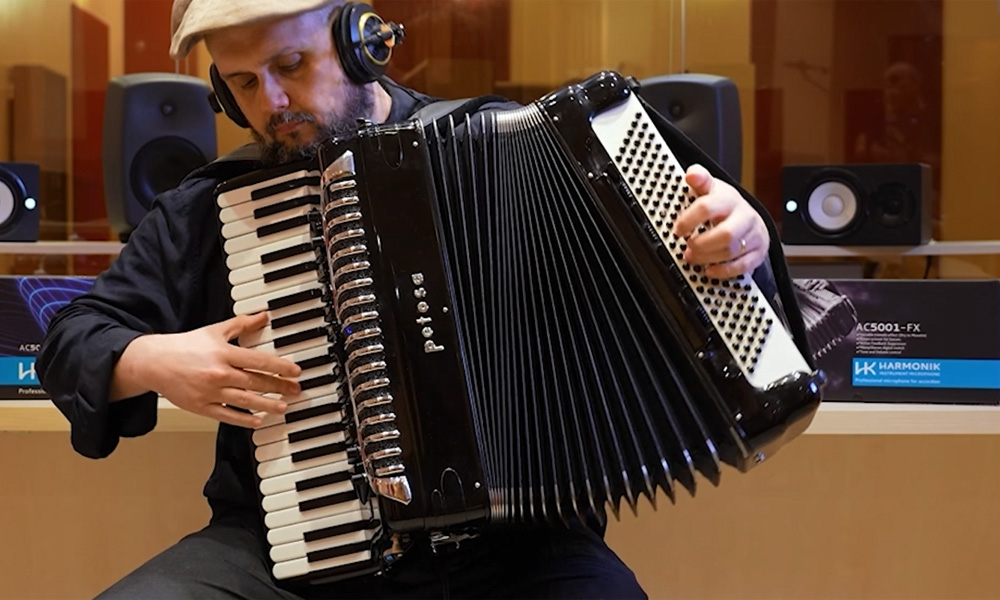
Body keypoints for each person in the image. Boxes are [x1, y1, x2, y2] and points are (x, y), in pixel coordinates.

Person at [37, 0, 777, 598]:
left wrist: (739, 243)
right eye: (242, 84)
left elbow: (705, 270)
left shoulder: (505, 146)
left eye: (290, 65)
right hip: (285, 555)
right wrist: (152, 358)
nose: (273, 103)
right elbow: (73, 337)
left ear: (362, 43)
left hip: (521, 554)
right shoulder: (214, 206)